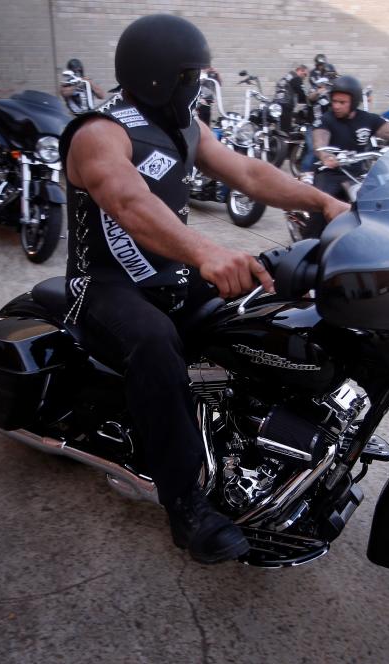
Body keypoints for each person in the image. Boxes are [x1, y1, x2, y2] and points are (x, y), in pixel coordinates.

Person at [59, 14, 349, 565]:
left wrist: (326, 203)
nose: (199, 87)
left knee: (276, 298)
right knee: (153, 341)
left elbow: (251, 174)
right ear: (157, 79)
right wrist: (207, 252)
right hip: (102, 285)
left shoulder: (186, 126)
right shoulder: (100, 131)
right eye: (192, 76)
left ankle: (268, 436)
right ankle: (185, 502)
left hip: (169, 276)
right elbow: (126, 200)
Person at [307, 74, 389, 238]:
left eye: (342, 102)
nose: (336, 106)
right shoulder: (326, 120)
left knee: (386, 201)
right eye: (334, 101)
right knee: (322, 205)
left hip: (356, 173)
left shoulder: (367, 119)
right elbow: (320, 139)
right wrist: (326, 155)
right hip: (330, 172)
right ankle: (309, 247)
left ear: (354, 102)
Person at [274, 63, 308, 132]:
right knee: (285, 131)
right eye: (305, 74)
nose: (305, 77)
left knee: (278, 129)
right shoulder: (296, 78)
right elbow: (302, 94)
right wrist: (309, 102)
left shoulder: (285, 78)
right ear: (300, 70)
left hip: (276, 106)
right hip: (286, 106)